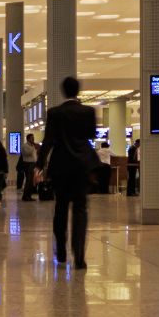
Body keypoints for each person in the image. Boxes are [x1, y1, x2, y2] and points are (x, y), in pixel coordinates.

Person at [43, 77, 99, 268]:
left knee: (60, 207)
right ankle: (80, 255)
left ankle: (61, 250)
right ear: (78, 91)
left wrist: (39, 165)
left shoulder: (54, 113)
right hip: (82, 167)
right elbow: (91, 136)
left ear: (63, 91)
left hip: (60, 167)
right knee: (81, 209)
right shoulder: (88, 112)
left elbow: (48, 141)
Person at [19, 133, 39, 200]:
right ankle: (25, 196)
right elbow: (26, 154)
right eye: (31, 138)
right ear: (28, 139)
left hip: (33, 164)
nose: (33, 139)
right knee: (28, 180)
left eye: (33, 138)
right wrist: (33, 148)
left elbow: (34, 155)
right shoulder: (25, 146)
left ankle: (29, 196)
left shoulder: (32, 146)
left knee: (31, 181)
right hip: (27, 164)